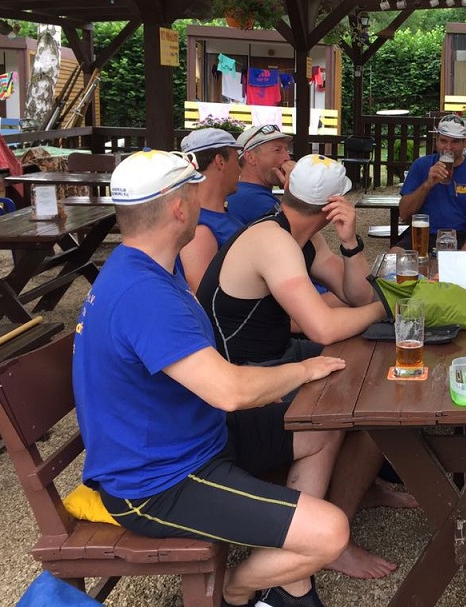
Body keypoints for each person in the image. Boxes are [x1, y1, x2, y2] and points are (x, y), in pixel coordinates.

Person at [73, 149, 348, 607]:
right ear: (178, 208)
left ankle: (288, 571)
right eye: (193, 191)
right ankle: (236, 589)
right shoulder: (144, 294)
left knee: (324, 423)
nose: (201, 198)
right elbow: (230, 391)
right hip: (161, 480)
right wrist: (301, 370)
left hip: (199, 436)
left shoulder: (144, 266)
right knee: (331, 532)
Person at [196, 153, 406, 580]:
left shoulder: (302, 236)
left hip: (275, 359)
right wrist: (389, 309)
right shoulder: (271, 241)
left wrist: (351, 242)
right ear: (334, 203)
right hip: (244, 380)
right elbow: (324, 326)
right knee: (357, 402)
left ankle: (351, 499)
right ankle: (321, 538)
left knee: (376, 375)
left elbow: (356, 296)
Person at [396, 114, 466, 251]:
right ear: (436, 141)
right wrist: (427, 184)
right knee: (394, 256)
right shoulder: (421, 165)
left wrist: (463, 255)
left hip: (460, 235)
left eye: (455, 142)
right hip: (424, 233)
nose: (448, 147)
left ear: (465, 143)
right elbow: (404, 213)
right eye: (443, 141)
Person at [178, 127, 245, 291]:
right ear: (220, 161)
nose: (240, 169)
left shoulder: (209, 218)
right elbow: (204, 296)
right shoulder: (199, 230)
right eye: (236, 161)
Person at [227, 123, 293, 225]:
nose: (287, 157)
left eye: (286, 150)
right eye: (277, 150)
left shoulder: (244, 192)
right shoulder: (254, 199)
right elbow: (298, 232)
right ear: (250, 157)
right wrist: (296, 189)